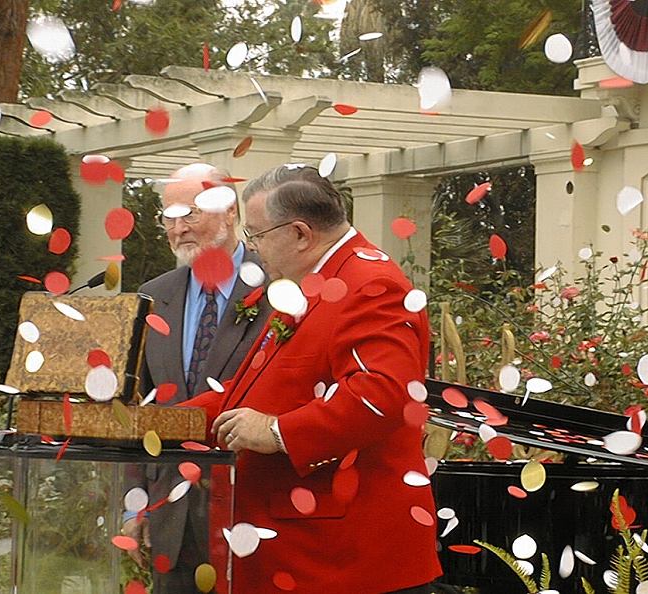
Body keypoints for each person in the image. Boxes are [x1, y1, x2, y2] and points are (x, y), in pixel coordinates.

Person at [186, 165, 443, 594]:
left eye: (256, 235)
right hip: (304, 551)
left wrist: (278, 431)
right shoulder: (322, 280)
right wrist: (154, 421)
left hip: (341, 559)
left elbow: (383, 394)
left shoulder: (372, 284)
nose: (253, 249)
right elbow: (252, 392)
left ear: (301, 233)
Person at [135, 163, 271, 593]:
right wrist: (135, 502)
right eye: (169, 217)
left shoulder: (279, 287)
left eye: (190, 213)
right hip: (171, 520)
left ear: (229, 210)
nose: (179, 229)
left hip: (253, 511)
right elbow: (137, 404)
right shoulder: (154, 295)